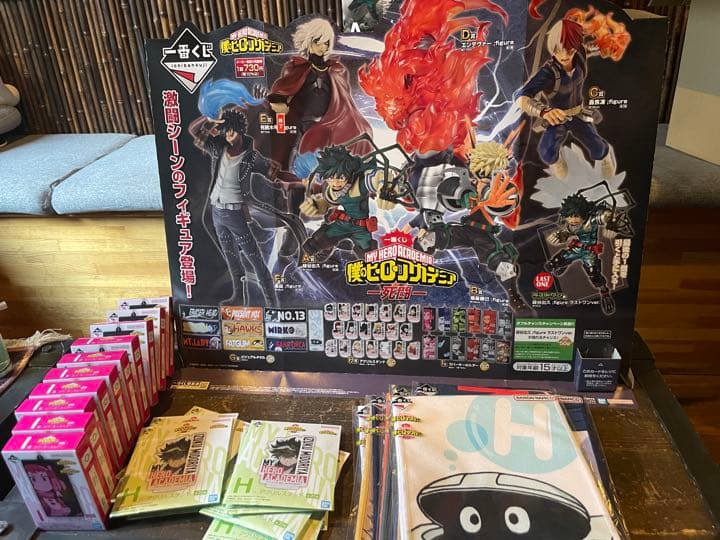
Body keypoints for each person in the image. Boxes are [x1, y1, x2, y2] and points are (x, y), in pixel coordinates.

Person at [190, 108, 306, 305]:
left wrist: (301, 180)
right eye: (225, 131)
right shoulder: (218, 148)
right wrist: (211, 118)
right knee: (231, 258)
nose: (228, 135)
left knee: (255, 259)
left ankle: (272, 302)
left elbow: (275, 174)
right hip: (217, 211)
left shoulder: (251, 157)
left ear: (240, 130)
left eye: (232, 131)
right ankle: (238, 297)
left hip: (235, 213)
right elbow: (194, 131)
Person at [265, 18, 372, 170]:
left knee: (362, 129)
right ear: (309, 41)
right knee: (301, 155)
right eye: (318, 42)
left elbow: (344, 101)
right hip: (304, 123)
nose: (322, 47)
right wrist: (279, 104)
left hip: (331, 121)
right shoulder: (296, 68)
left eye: (326, 43)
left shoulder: (337, 70)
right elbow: (281, 91)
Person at [516, 19, 615, 180]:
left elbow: (593, 47)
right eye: (558, 50)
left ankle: (605, 158)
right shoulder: (548, 73)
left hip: (579, 114)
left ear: (575, 47)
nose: (563, 56)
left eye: (569, 50)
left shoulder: (580, 54)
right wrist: (544, 111)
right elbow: (522, 97)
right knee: (546, 151)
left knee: (598, 148)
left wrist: (606, 43)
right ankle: (557, 163)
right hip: (558, 118)